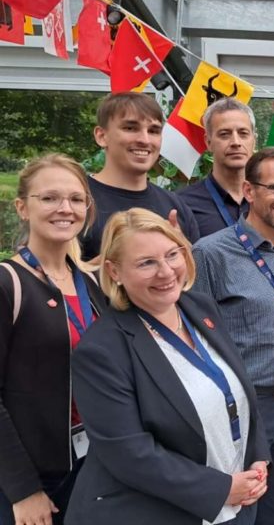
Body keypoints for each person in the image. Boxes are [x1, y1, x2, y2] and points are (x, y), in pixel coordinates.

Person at [65, 208, 269, 525]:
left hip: (235, 503)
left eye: (172, 254)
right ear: (114, 271)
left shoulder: (199, 308)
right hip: (156, 512)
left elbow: (236, 393)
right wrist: (221, 489)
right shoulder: (101, 351)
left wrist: (258, 458)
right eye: (146, 262)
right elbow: (130, 455)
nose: (166, 271)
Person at [193, 147, 274, 525]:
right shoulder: (210, 254)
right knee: (239, 515)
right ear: (249, 190)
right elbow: (193, 338)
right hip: (243, 406)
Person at [0, 154, 107, 525]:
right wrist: (23, 489)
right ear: (22, 208)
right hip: (32, 483)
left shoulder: (92, 284)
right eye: (49, 198)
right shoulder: (8, 283)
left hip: (91, 468)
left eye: (76, 199)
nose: (65, 208)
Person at [82, 92, 199, 260]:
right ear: (102, 136)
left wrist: (185, 253)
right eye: (130, 128)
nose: (144, 140)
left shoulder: (175, 206)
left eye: (153, 131)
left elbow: (195, 278)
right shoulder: (76, 201)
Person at [177, 98, 255, 238]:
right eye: (224, 134)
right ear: (208, 142)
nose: (236, 142)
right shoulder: (183, 205)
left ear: (253, 141)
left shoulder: (269, 199)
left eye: (243, 133)